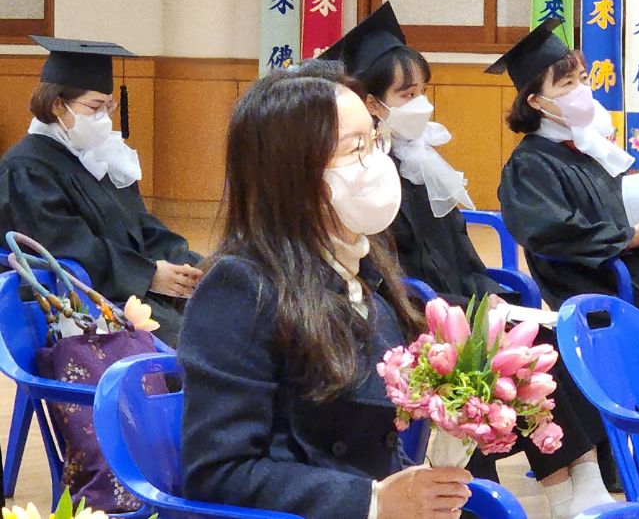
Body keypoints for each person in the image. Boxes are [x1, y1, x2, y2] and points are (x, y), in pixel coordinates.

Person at [319, 5, 616, 519]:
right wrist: (465, 307)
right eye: (406, 94)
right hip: (416, 313)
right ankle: (563, 493)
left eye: (423, 91)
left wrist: (490, 295)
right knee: (516, 347)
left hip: (461, 305)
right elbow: (390, 276)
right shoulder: (369, 178)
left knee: (543, 340)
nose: (421, 103)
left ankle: (580, 482)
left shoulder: (424, 164)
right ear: (371, 103)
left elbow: (461, 254)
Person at [179, 72, 473, 519]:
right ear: (293, 171)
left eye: (375, 140)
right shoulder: (241, 287)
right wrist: (372, 501)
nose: (377, 162)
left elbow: (373, 442)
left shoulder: (364, 270)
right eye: (356, 148)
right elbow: (217, 472)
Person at [494, 19, 639, 483]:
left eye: (582, 78)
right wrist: (626, 237)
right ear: (535, 101)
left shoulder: (585, 149)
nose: (581, 91)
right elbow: (548, 231)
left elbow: (617, 208)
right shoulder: (530, 164)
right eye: (566, 85)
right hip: (598, 282)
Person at [0, 36, 202, 346]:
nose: (104, 118)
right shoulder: (26, 169)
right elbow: (67, 250)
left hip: (128, 288)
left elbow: (140, 226)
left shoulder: (99, 158)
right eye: (95, 107)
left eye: (109, 107)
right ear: (57, 105)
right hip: (78, 303)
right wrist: (147, 275)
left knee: (222, 312)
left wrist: (188, 265)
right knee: (196, 343)